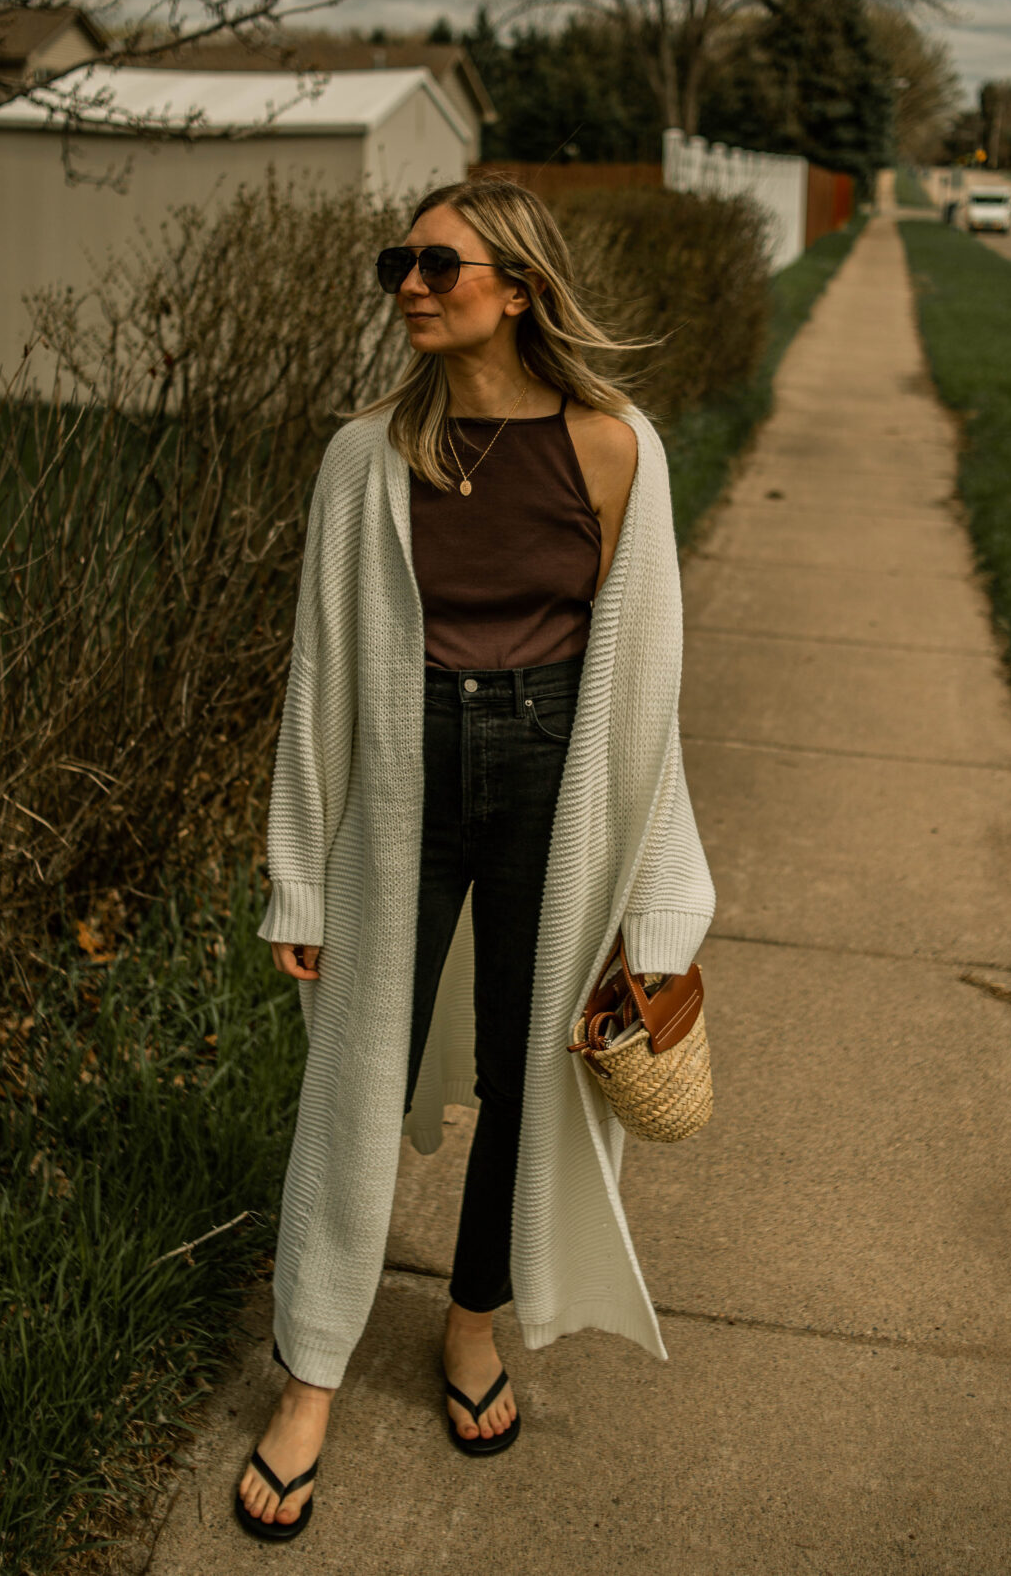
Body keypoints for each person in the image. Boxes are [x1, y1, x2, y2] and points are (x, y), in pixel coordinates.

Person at [235, 178, 715, 1538]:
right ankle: (310, 1373)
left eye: (437, 262)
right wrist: (297, 870)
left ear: (517, 288)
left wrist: (657, 890)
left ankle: (469, 1321)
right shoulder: (363, 455)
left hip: (557, 788)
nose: (407, 283)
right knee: (354, 1076)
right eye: (398, 260)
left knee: (527, 1076)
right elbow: (318, 674)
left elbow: (644, 689)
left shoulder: (617, 449)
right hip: (399, 781)